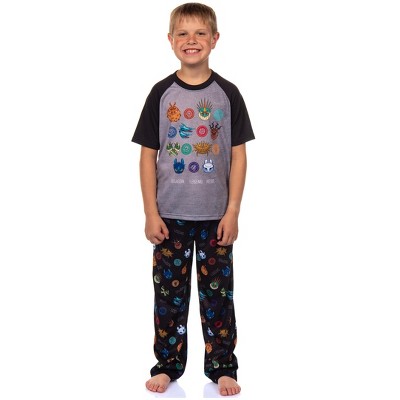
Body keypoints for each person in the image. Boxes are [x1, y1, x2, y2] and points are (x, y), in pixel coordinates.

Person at [131, 2, 255, 396]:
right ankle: (167, 365)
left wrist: (233, 211)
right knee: (169, 298)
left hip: (216, 217)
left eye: (200, 33)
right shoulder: (160, 93)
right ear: (170, 41)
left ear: (215, 39)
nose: (192, 40)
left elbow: (238, 155)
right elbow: (148, 156)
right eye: (183, 33)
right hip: (169, 217)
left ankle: (222, 367)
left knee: (218, 298)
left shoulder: (228, 94)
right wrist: (150, 212)